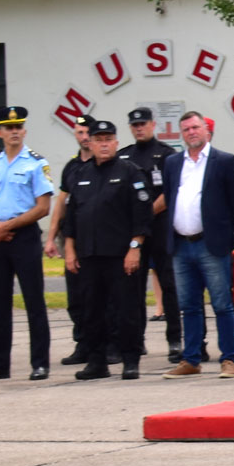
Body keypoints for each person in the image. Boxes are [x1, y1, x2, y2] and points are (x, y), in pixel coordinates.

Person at [59, 119, 153, 380]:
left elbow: (142, 215)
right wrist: (69, 249)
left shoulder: (130, 172)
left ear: (116, 143)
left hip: (120, 256)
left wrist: (135, 247)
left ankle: (130, 360)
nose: (103, 144)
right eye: (98, 139)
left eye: (108, 139)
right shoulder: (81, 173)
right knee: (91, 311)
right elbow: (72, 217)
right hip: (88, 255)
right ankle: (96, 362)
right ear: (90, 142)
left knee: (126, 311)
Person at [160, 110, 234, 379]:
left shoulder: (224, 161)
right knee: (189, 306)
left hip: (211, 245)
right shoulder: (173, 163)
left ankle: (228, 358)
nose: (191, 133)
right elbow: (169, 198)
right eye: (186, 129)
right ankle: (191, 359)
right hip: (181, 246)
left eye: (195, 127)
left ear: (206, 130)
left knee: (222, 304)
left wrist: (220, 233)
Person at [0, 107, 55, 381]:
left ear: (24, 131)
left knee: (34, 301)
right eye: (8, 128)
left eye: (18, 126)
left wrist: (7, 226)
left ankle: (40, 363)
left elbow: (43, 207)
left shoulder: (35, 162)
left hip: (23, 237)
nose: (14, 132)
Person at [123, 107, 180, 365]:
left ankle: (175, 341)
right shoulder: (124, 156)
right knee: (133, 289)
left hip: (160, 229)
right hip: (135, 233)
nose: (139, 128)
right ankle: (135, 342)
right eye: (135, 125)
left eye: (143, 124)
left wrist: (146, 215)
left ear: (153, 125)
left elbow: (170, 192)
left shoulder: (167, 155)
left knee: (168, 285)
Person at [46, 118, 98, 367]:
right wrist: (50, 238)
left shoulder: (106, 164)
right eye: (80, 132)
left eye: (88, 132)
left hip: (98, 240)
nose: (84, 136)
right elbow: (61, 204)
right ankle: (82, 343)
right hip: (72, 238)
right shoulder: (71, 167)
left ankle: (107, 344)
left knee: (100, 295)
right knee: (76, 296)